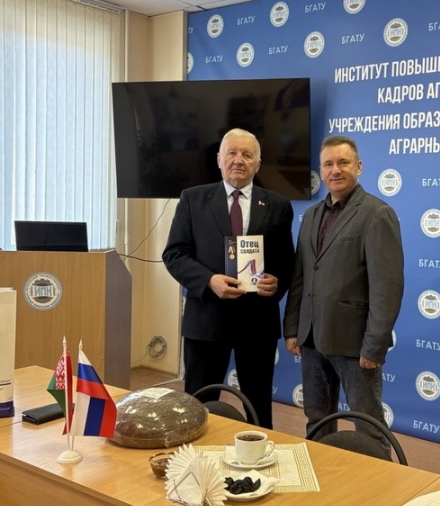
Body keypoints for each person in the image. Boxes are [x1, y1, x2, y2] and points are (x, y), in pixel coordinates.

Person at [163, 128, 294, 429]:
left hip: (257, 323)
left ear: (258, 164)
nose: (239, 160)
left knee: (258, 407)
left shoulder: (277, 205)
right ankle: (195, 454)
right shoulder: (192, 199)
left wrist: (276, 282)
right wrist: (209, 281)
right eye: (232, 153)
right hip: (206, 320)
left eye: (247, 155)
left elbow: (286, 263)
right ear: (219, 159)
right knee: (198, 406)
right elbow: (174, 254)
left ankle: (259, 453)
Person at [283, 135, 404, 451]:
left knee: (369, 426)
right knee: (317, 421)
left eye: (343, 162)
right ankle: (320, 475)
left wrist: (374, 345)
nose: (335, 170)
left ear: (359, 167)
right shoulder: (311, 215)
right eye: (328, 164)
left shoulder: (377, 213)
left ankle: (379, 479)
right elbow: (300, 277)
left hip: (355, 344)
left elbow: (387, 287)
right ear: (321, 170)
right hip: (311, 339)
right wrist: (293, 328)